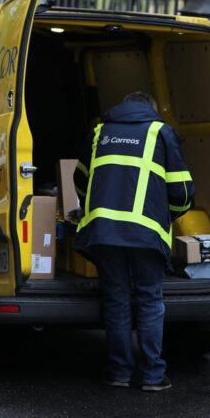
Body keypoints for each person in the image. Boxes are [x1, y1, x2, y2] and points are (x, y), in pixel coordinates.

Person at [73, 91, 194, 392]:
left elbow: (79, 179)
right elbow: (181, 190)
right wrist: (168, 215)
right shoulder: (160, 132)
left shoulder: (100, 132)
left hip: (104, 234)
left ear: (124, 106)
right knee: (150, 300)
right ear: (151, 110)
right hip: (145, 233)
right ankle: (153, 375)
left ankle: (119, 373)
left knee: (116, 300)